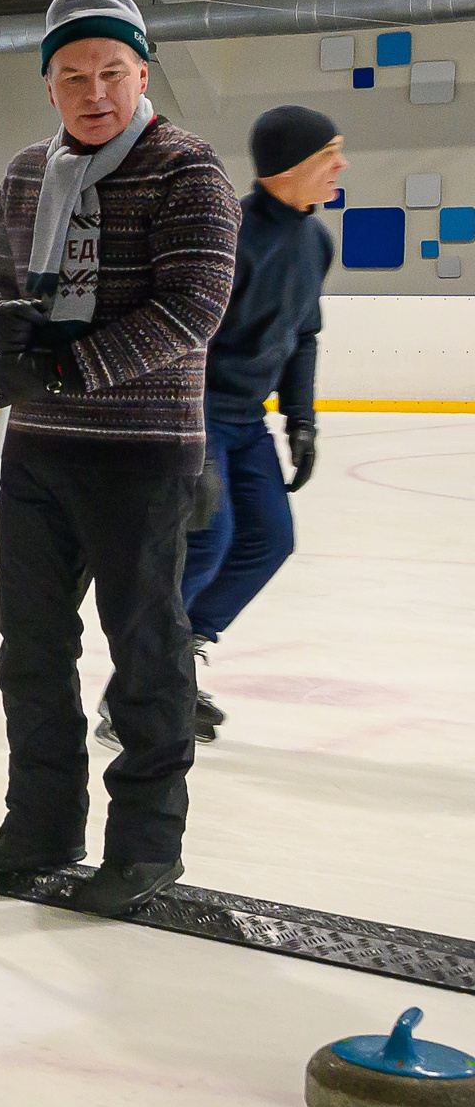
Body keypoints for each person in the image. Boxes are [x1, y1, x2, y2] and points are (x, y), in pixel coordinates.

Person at [0, 0, 238, 916]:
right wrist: (6, 331)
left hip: (142, 452)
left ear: (141, 74)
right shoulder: (27, 174)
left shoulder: (187, 171)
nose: (94, 91)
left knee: (146, 650)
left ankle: (148, 843)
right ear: (49, 85)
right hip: (40, 450)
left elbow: (192, 310)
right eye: (74, 75)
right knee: (31, 649)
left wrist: (69, 370)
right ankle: (41, 821)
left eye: (112, 72)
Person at [171, 105, 341, 733]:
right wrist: (196, 446)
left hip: (248, 417)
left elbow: (304, 336)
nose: (341, 166)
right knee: (208, 540)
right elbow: (189, 342)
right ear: (289, 167)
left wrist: (302, 419)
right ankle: (145, 684)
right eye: (330, 155)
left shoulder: (315, 241)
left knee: (269, 539)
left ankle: (179, 652)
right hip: (200, 408)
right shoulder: (233, 234)